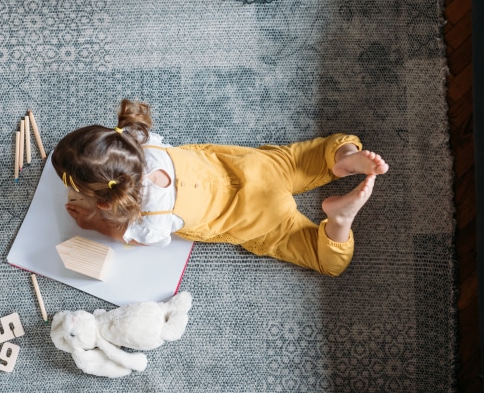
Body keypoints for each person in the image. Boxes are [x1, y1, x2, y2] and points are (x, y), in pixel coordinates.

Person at [51, 99, 389, 276]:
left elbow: (121, 236)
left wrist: (91, 222)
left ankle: (339, 224)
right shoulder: (147, 143)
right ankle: (344, 156)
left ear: (109, 201)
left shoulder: (150, 221)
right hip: (257, 168)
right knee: (305, 158)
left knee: (328, 262)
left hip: (259, 219)